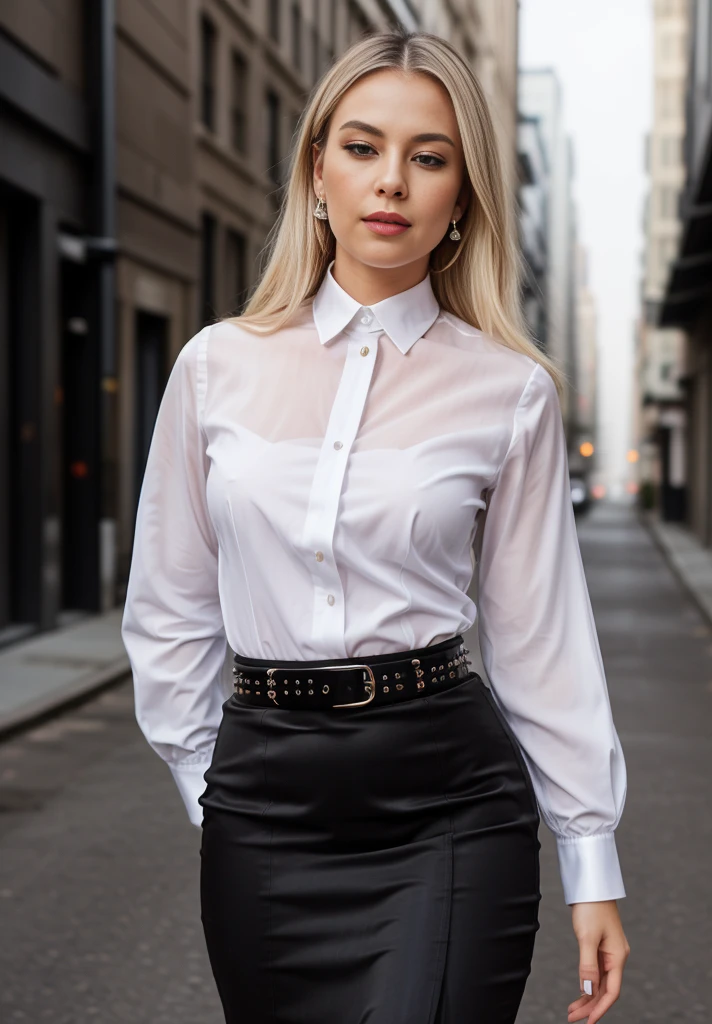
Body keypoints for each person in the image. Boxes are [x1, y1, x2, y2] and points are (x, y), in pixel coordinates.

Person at [121, 27, 630, 1024]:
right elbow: (168, 601)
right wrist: (206, 778)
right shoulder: (215, 367)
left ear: (460, 197)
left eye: (428, 157)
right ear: (318, 172)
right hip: (262, 804)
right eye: (362, 147)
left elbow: (541, 640)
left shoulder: (510, 392)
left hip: (447, 803)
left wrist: (592, 860)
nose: (390, 180)